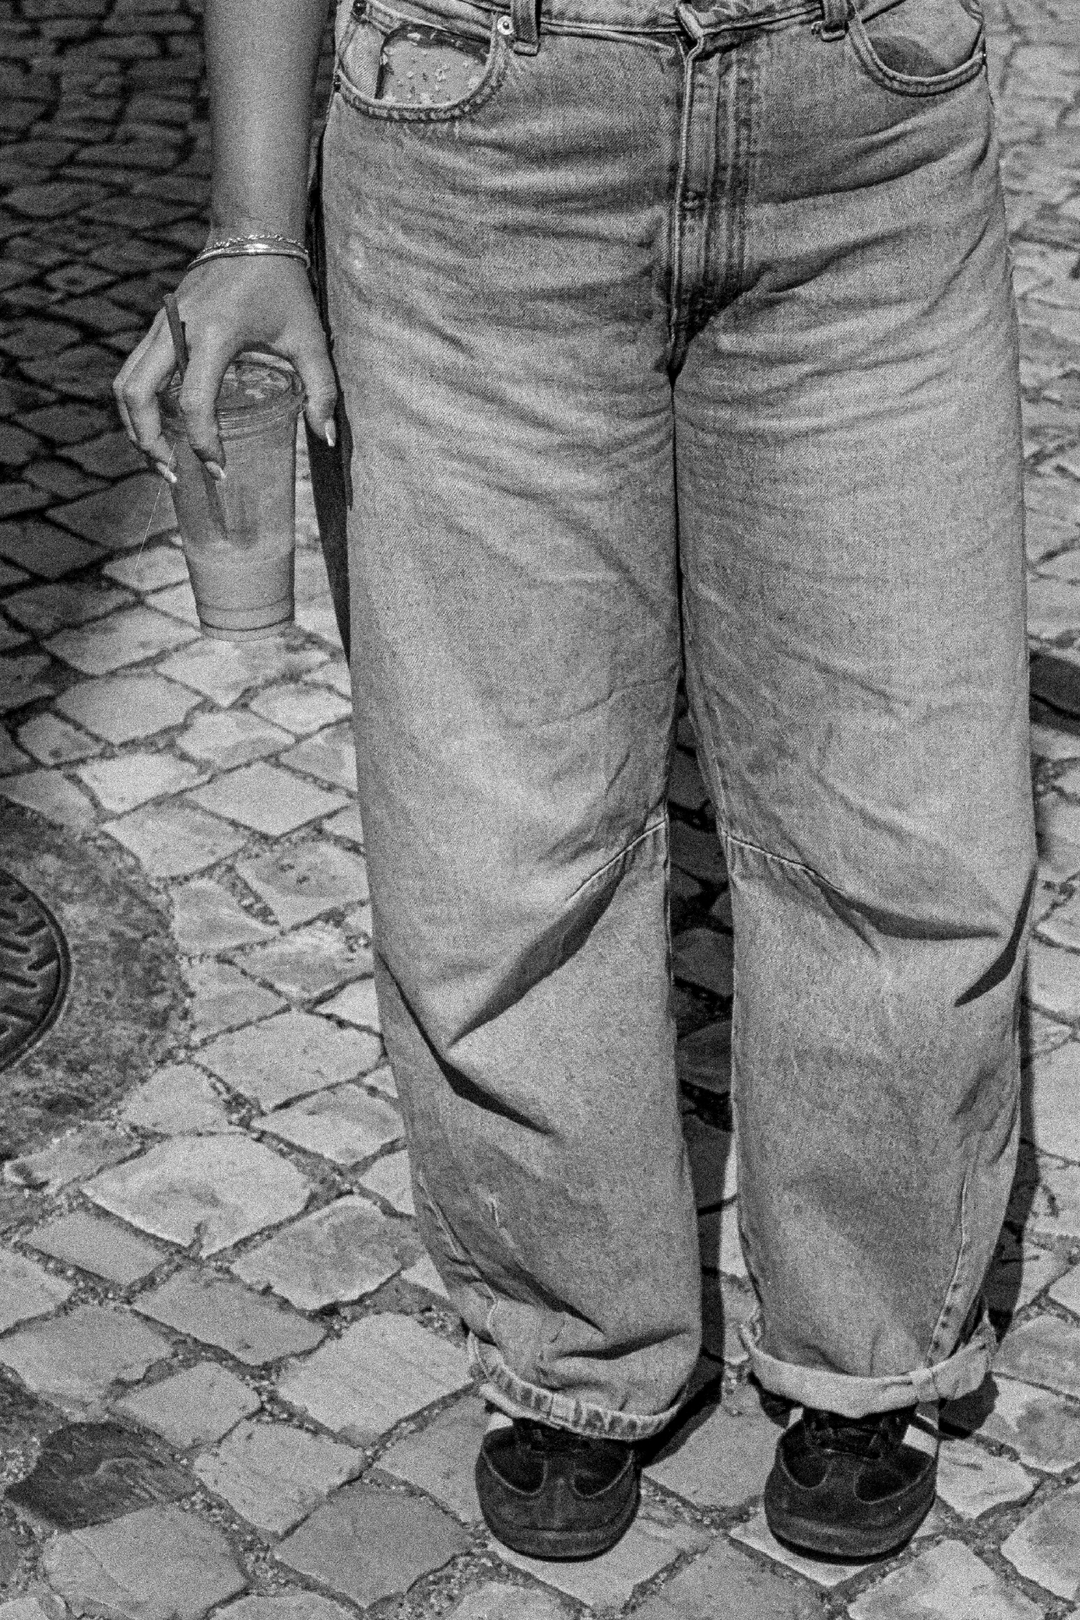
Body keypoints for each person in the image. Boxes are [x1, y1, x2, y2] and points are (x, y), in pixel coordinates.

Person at [115, 0, 1036, 1566]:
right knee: (503, 829)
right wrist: (257, 228)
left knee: (908, 816)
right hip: (478, 129)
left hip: (869, 124)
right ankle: (572, 1340)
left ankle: (871, 1345)